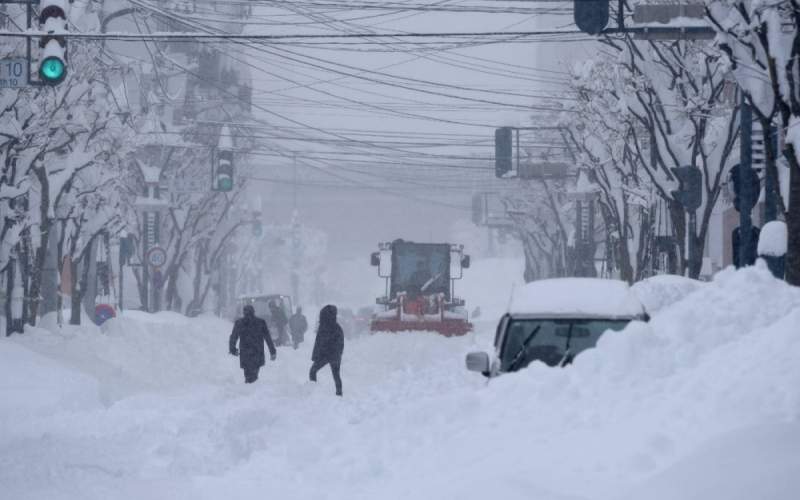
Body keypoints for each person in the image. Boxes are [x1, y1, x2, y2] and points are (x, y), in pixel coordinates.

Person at [229, 304, 276, 383]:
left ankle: (249, 386)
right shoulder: (261, 322)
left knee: (247, 373)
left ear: (244, 313)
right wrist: (272, 351)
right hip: (257, 352)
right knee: (255, 373)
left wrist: (233, 349)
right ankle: (252, 387)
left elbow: (233, 337)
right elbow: (268, 338)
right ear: (253, 312)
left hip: (245, 353)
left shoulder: (239, 323)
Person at [309, 304, 344, 396]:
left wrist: (316, 356)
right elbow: (341, 344)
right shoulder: (337, 328)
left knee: (313, 371)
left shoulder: (324, 327)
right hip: (333, 356)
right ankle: (339, 394)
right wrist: (338, 355)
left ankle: (313, 392)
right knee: (336, 375)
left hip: (325, 355)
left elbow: (319, 343)